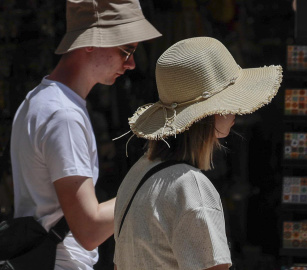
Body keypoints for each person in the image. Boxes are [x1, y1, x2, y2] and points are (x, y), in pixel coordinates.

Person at [9, 0, 161, 269]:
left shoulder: (38, 100)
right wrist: (152, 185)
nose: (132, 64)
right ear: (92, 41)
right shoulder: (63, 115)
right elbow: (89, 230)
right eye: (126, 50)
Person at [113, 36, 282, 270]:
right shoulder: (191, 187)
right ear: (207, 113)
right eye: (229, 100)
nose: (236, 110)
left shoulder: (139, 172)